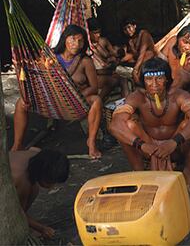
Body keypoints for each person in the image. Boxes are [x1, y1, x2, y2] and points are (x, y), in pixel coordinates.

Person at [108, 57, 190, 193]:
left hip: (176, 147)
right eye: (149, 79)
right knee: (127, 126)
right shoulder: (137, 97)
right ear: (143, 81)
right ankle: (139, 172)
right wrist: (142, 145)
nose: (154, 84)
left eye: (159, 78)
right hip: (148, 147)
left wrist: (173, 142)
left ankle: (188, 172)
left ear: (167, 79)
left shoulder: (178, 95)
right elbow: (115, 125)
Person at [12, 25, 103, 159]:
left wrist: (75, 97)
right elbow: (38, 79)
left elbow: (94, 88)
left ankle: (91, 143)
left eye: (80, 41)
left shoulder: (85, 61)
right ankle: (17, 144)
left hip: (74, 104)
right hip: (51, 102)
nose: (76, 44)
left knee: (96, 100)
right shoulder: (50, 57)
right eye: (73, 39)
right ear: (65, 39)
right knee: (21, 102)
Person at [9, 147, 69, 239]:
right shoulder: (22, 180)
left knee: (34, 189)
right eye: (51, 182)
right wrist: (42, 228)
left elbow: (32, 148)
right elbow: (17, 212)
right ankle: (20, 226)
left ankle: (26, 223)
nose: (52, 187)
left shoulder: (36, 153)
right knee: (29, 190)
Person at [87, 18, 129, 99]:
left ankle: (126, 105)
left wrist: (114, 58)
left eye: (99, 32)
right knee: (117, 80)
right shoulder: (88, 48)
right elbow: (95, 71)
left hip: (105, 69)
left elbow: (114, 54)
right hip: (96, 75)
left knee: (123, 78)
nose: (98, 35)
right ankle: (100, 101)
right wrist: (109, 71)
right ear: (89, 33)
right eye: (95, 33)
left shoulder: (102, 41)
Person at [157, 25, 190, 90]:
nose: (187, 47)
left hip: (181, 89)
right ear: (178, 38)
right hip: (167, 79)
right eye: (185, 42)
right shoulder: (172, 41)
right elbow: (160, 62)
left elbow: (179, 83)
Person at [121, 17, 156, 82]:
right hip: (139, 61)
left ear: (134, 26)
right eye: (125, 29)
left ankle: (138, 78)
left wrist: (135, 69)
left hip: (149, 60)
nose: (128, 31)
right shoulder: (131, 40)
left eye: (129, 27)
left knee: (148, 53)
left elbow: (142, 53)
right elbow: (134, 55)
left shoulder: (144, 33)